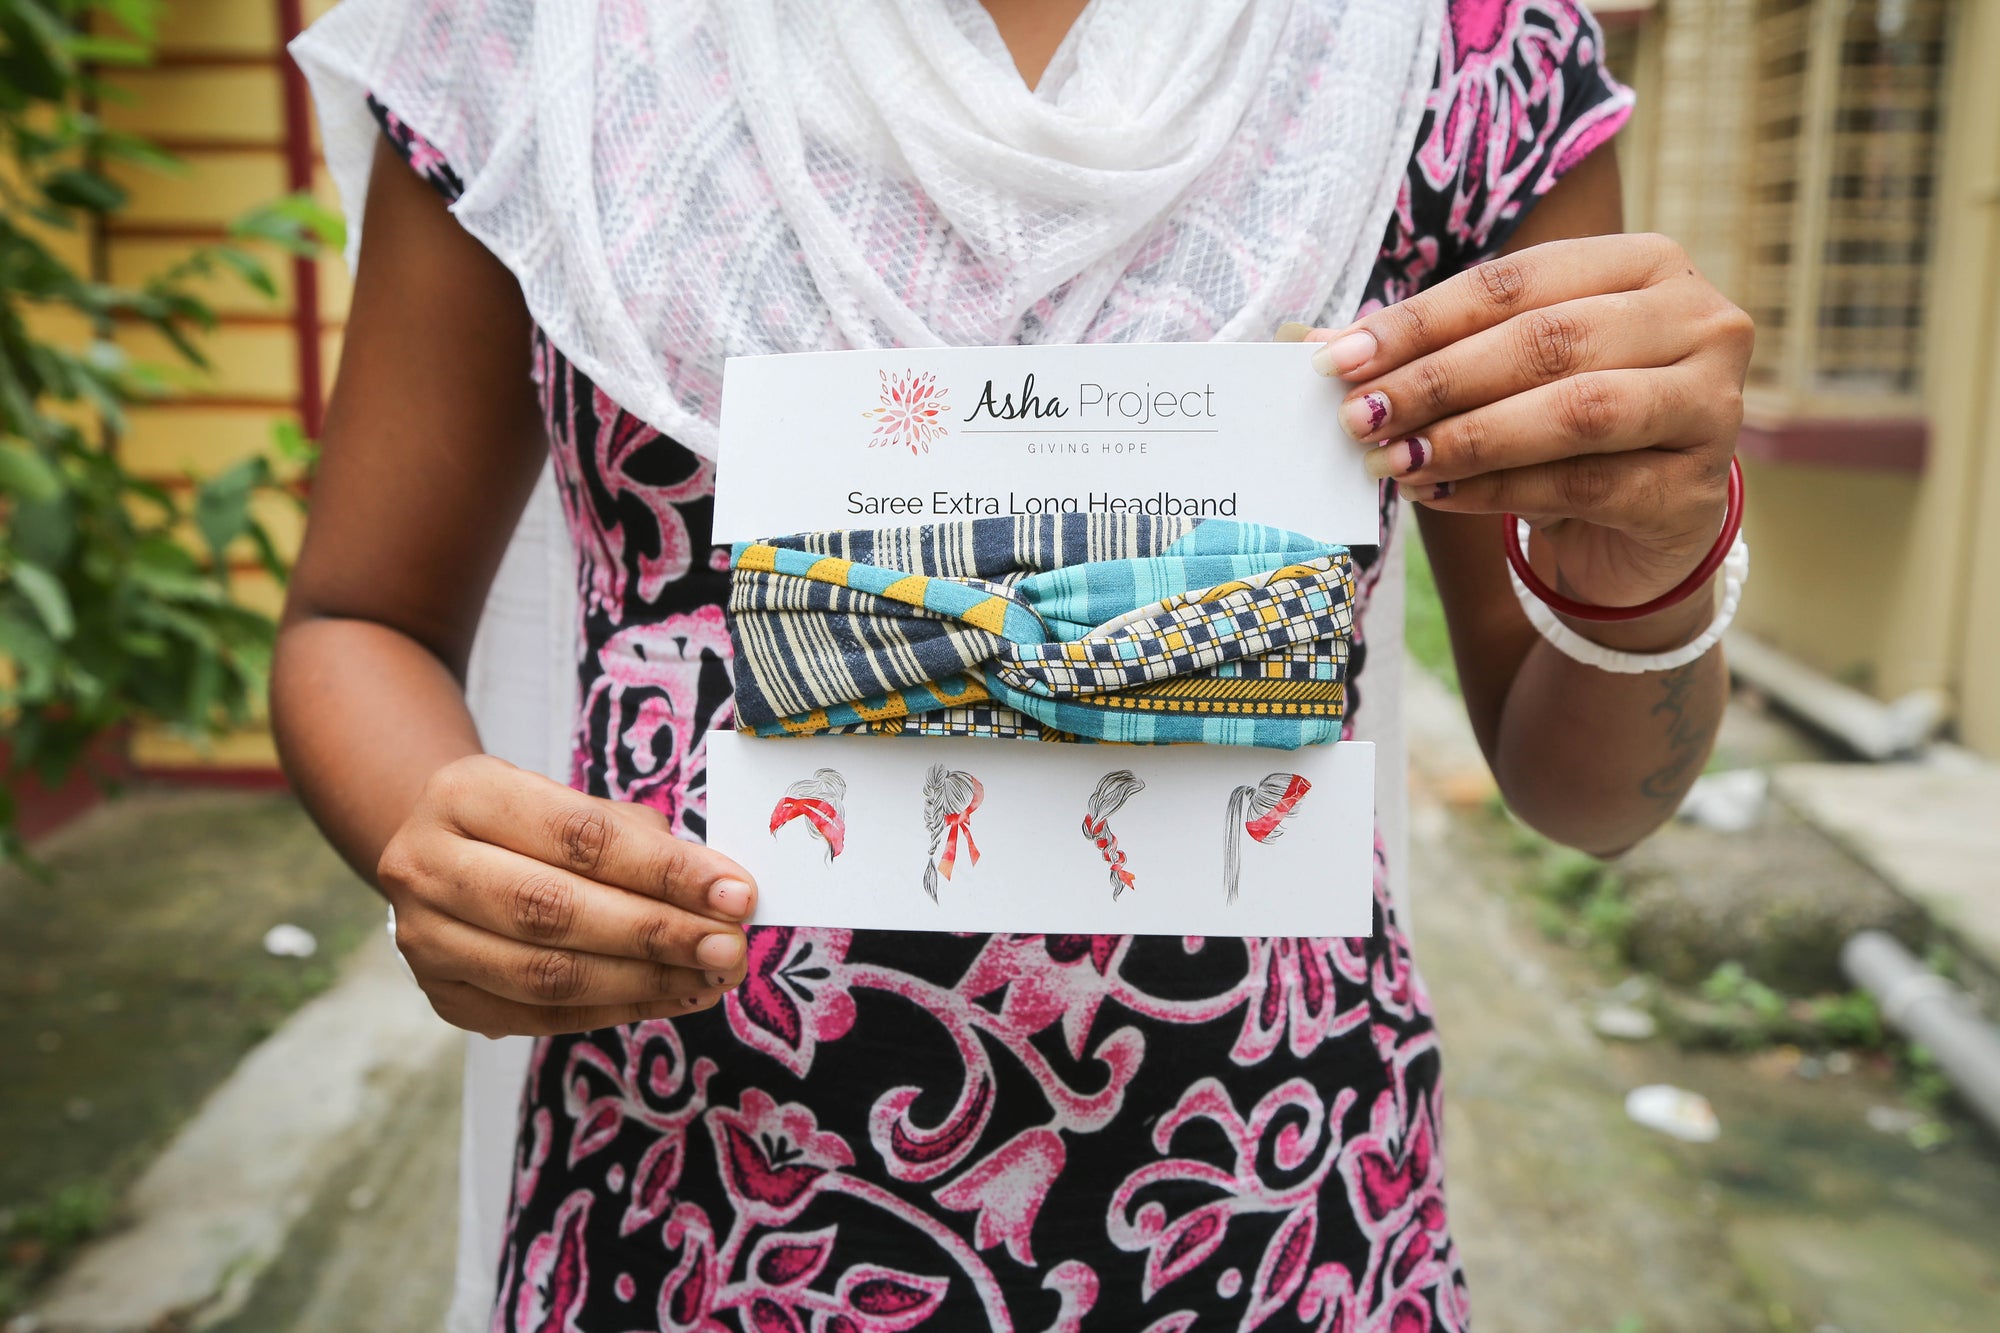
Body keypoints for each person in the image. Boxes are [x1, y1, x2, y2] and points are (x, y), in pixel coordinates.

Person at [278, 1, 1751, 1327]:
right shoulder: (552, 38)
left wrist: (1647, 573)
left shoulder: (1442, 58)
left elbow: (1589, 795)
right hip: (691, 1216)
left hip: (1274, 1221)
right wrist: (441, 830)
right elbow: (360, 618)